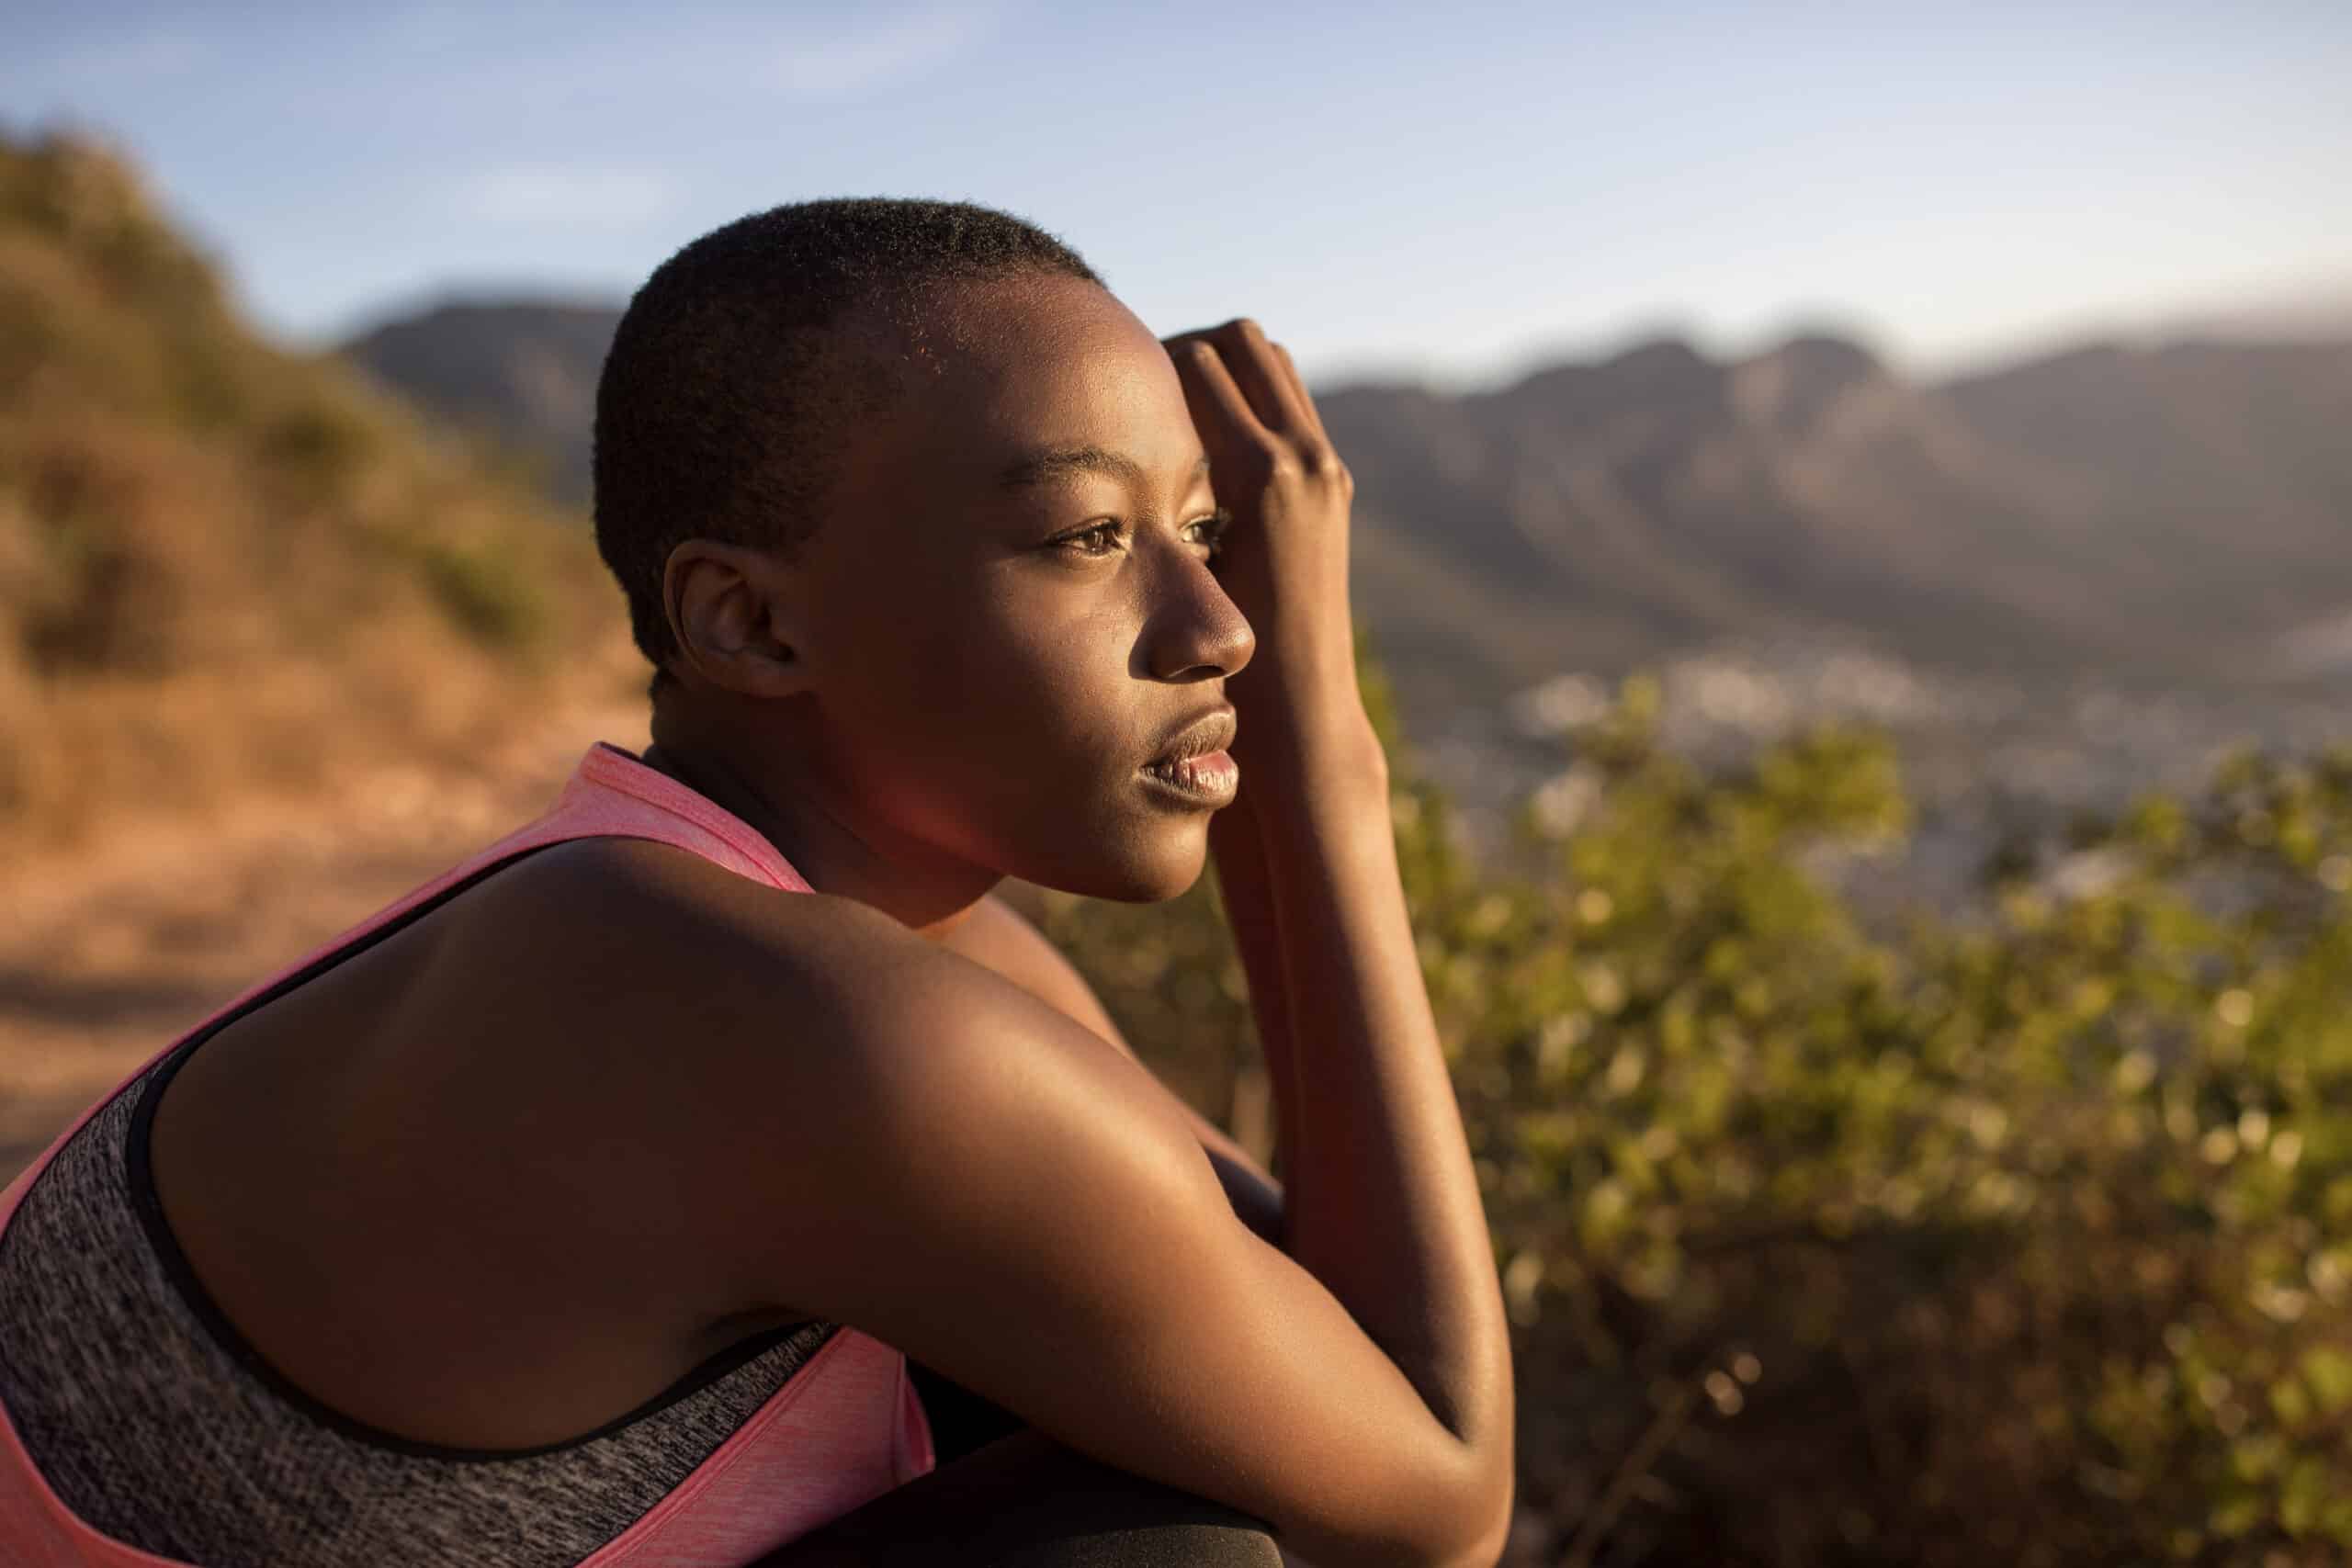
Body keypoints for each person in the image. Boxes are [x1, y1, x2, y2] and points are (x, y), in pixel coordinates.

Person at [0, 198, 1515, 1567]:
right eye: (1087, 536)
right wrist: (1324, 755)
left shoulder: (864, 947)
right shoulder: (798, 1021)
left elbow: (1316, 1347)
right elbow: (1436, 1494)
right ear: (748, 623)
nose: (1224, 626)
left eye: (1204, 534)